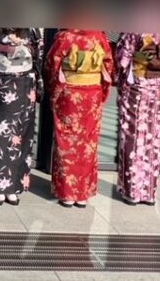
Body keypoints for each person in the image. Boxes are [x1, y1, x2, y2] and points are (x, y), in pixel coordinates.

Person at [0, 27, 44, 206]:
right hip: (1, 82)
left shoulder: (32, 29)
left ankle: (14, 187)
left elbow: (39, 56)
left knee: (22, 135)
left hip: (25, 83)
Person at [45, 29, 114, 208]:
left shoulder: (65, 36)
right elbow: (108, 65)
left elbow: (52, 65)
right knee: (87, 143)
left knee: (66, 139)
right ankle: (82, 194)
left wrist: (54, 91)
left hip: (69, 93)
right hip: (92, 93)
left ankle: (66, 193)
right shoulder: (99, 37)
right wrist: (102, 91)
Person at [115, 33, 160, 206]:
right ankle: (149, 192)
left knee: (133, 134)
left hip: (139, 85)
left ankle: (132, 192)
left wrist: (121, 81)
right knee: (155, 136)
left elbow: (122, 59)